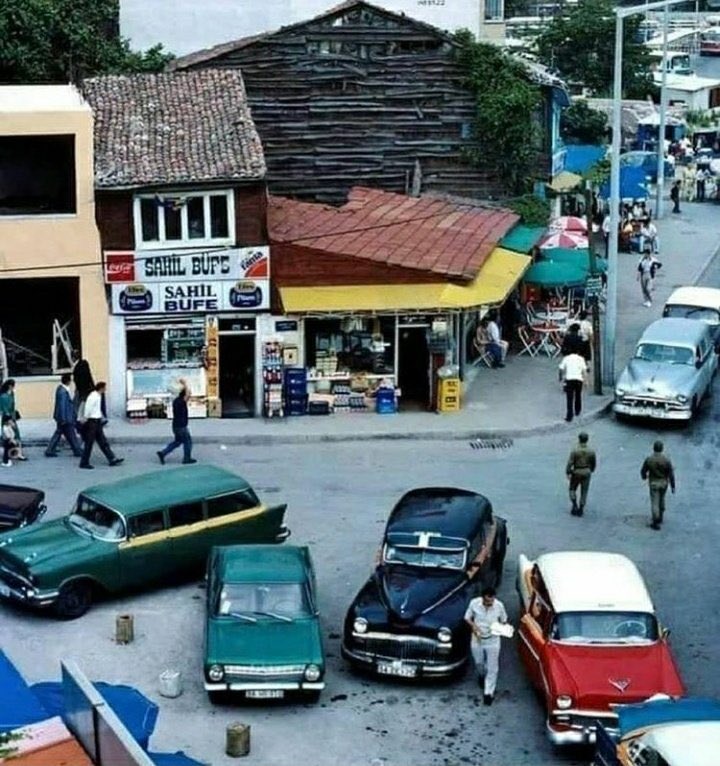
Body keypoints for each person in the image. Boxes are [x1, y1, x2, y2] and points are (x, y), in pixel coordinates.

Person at [464, 586, 508, 706]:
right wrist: (474, 627)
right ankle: (481, 675)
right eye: (487, 601)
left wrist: (499, 628)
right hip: (477, 639)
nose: (490, 603)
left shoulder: (499, 606)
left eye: (492, 601)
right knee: (479, 662)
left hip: (493, 640)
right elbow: (467, 617)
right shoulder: (474, 603)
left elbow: (504, 620)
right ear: (482, 598)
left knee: (492, 667)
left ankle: (489, 692)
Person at [79, 382, 123, 469]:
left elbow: (97, 409)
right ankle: (84, 462)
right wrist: (85, 418)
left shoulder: (98, 396)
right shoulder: (93, 396)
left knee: (103, 441)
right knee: (89, 443)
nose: (105, 389)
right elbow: (88, 408)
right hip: (92, 422)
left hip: (97, 421)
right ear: (101, 388)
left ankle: (112, 458)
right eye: (104, 388)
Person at [45, 373, 83, 458]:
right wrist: (63, 419)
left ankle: (50, 450)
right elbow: (62, 406)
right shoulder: (63, 392)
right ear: (69, 381)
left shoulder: (61, 389)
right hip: (65, 417)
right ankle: (77, 450)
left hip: (62, 417)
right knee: (71, 434)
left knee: (61, 433)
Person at [157, 385, 196, 465]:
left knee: (177, 442)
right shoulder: (182, 402)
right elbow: (187, 394)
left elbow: (186, 394)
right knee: (188, 442)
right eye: (189, 395)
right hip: (182, 426)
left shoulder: (176, 401)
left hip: (175, 425)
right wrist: (185, 383)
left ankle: (163, 453)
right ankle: (186, 458)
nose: (190, 396)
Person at [641, 441, 676, 530]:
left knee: (654, 502)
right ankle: (661, 516)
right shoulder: (666, 460)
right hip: (664, 483)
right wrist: (673, 486)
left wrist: (644, 477)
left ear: (654, 448)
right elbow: (671, 474)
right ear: (662, 448)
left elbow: (643, 471)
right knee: (662, 498)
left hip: (654, 483)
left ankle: (655, 521)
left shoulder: (649, 459)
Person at [565, 432, 597, 517]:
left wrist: (568, 472)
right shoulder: (591, 451)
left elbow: (570, 463)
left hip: (576, 471)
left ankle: (574, 504)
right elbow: (594, 463)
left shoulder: (575, 450)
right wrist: (591, 470)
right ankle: (581, 508)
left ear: (579, 439)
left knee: (572, 489)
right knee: (584, 491)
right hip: (586, 471)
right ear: (587, 440)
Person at [0, 379, 27, 460]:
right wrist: (10, 420)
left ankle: (17, 453)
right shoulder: (3, 397)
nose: (14, 387)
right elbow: (4, 409)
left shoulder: (11, 394)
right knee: (9, 437)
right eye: (13, 386)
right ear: (10, 386)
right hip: (7, 418)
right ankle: (9, 455)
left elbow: (12, 406)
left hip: (12, 417)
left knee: (15, 435)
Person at [558, 351, 587, 423]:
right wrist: (586, 381)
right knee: (578, 395)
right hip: (578, 380)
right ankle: (577, 410)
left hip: (569, 379)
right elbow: (584, 371)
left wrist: (560, 377)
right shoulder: (581, 359)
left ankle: (569, 416)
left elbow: (561, 368)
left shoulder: (566, 358)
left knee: (569, 398)